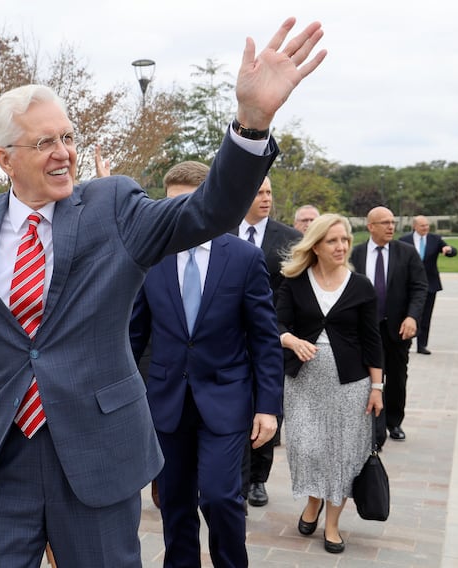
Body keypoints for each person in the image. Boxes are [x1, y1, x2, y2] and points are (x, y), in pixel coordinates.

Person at [0, 18, 326, 568]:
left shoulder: (113, 208)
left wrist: (252, 123)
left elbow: (208, 209)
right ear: (5, 158)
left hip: (96, 454)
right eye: (45, 142)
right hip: (3, 459)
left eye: (68, 137)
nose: (64, 152)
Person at [129, 161, 283, 568]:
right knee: (174, 503)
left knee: (220, 497)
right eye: (169, 206)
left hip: (227, 401)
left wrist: (268, 407)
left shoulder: (245, 258)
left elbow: (266, 339)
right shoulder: (151, 259)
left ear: (208, 202)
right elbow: (133, 335)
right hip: (167, 403)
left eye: (185, 204)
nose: (174, 216)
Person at [275, 213, 383, 554]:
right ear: (316, 246)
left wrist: (377, 387)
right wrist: (290, 340)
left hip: (350, 384)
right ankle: (313, 499)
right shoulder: (294, 282)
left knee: (342, 454)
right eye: (333, 240)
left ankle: (332, 523)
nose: (341, 246)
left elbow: (372, 340)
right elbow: (274, 324)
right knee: (306, 447)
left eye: (345, 240)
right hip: (303, 383)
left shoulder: (361, 285)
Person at [235, 175, 301, 508]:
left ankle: (259, 478)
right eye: (259, 191)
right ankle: (237, 477)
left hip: (272, 338)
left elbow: (296, 295)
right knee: (236, 409)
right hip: (229, 338)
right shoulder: (222, 231)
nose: (266, 198)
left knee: (267, 407)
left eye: (269, 192)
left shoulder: (290, 239)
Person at [350, 206, 426, 447]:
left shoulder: (407, 253)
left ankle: (394, 422)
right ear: (370, 226)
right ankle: (375, 428)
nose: (391, 226)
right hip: (364, 329)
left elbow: (419, 287)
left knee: (396, 377)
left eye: (392, 222)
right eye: (384, 222)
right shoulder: (356, 253)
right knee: (371, 378)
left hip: (397, 328)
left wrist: (412, 316)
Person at [399, 215, 458, 354]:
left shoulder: (435, 239)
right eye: (422, 226)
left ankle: (422, 345)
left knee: (425, 315)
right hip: (408, 284)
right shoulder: (404, 240)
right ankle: (404, 342)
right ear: (415, 226)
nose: (425, 228)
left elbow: (452, 251)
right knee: (407, 313)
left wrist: (448, 249)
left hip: (429, 284)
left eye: (427, 225)